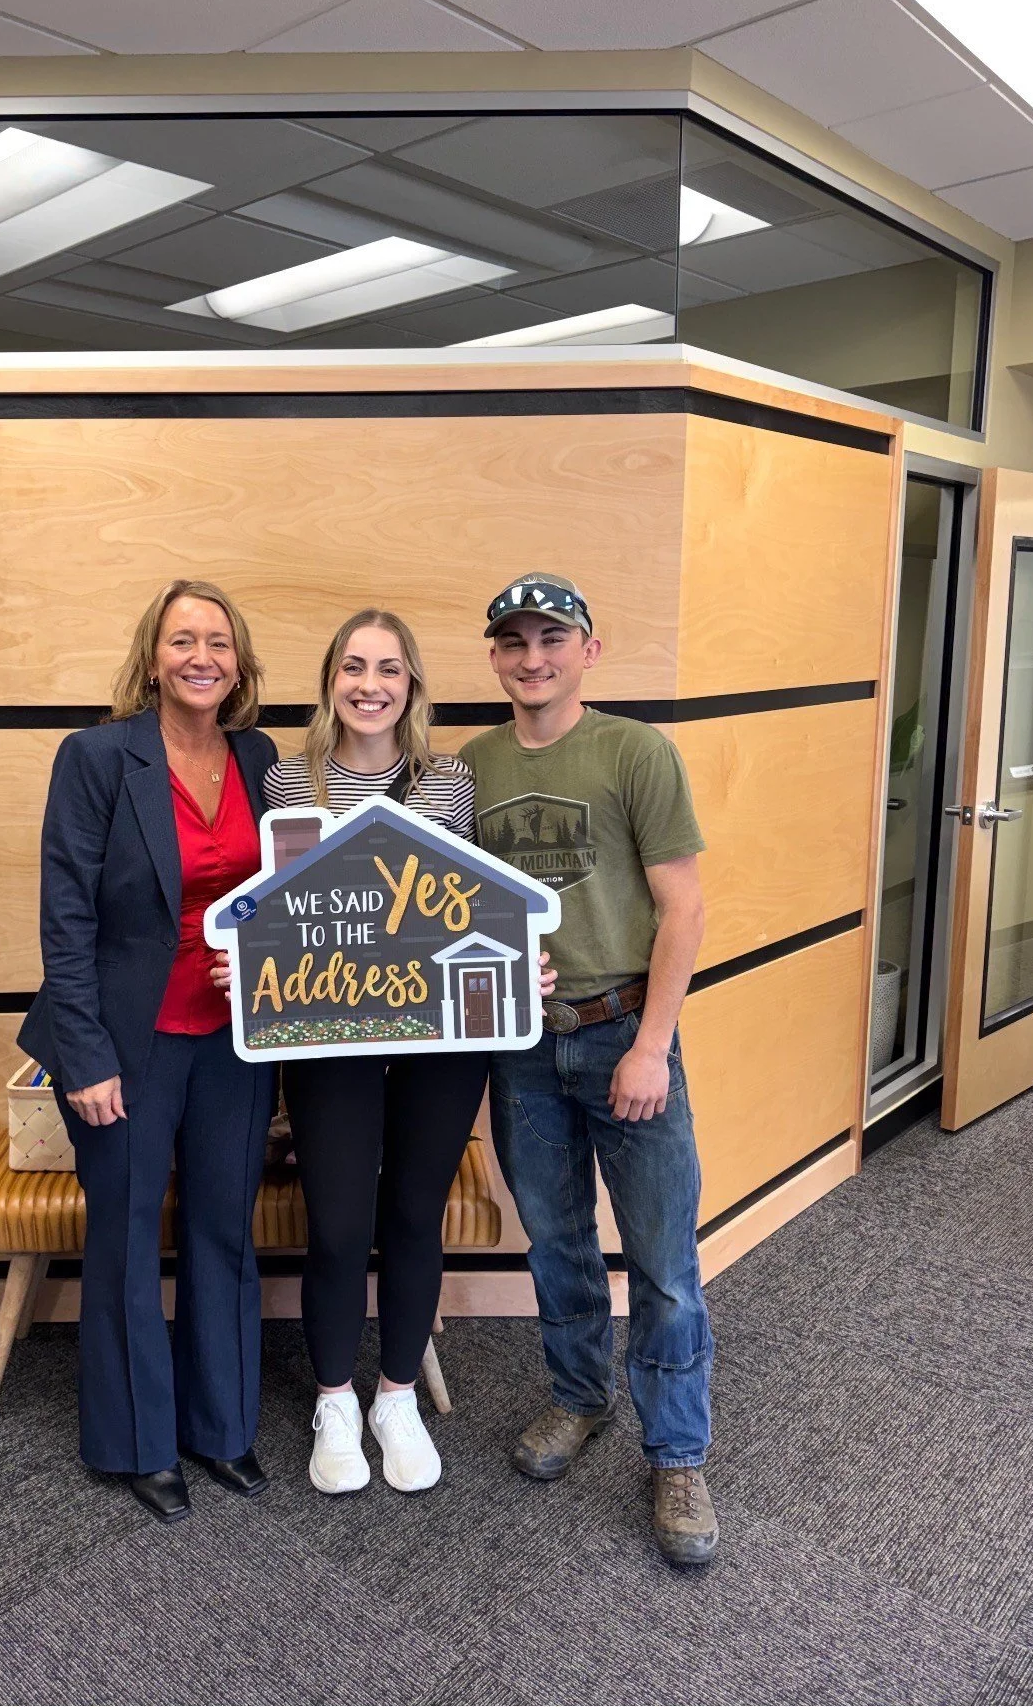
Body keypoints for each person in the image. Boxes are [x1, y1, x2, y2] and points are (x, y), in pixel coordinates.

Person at [461, 572, 718, 1566]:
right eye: (514, 641)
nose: (533, 658)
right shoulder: (471, 768)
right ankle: (579, 1394)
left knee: (662, 1259)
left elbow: (684, 907)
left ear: (589, 651)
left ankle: (678, 1451)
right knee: (557, 1242)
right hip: (524, 1045)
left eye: (552, 638)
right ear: (495, 657)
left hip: (624, 1031)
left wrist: (652, 1043)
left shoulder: (635, 751)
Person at [240, 610, 519, 1496]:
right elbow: (274, 907)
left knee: (412, 1215)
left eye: (389, 668)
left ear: (411, 684)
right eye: (354, 666)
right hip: (330, 1038)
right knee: (337, 1223)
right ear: (332, 680)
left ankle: (395, 1395)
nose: (371, 684)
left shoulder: (451, 781)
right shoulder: (289, 781)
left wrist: (524, 957)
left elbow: (476, 902)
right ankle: (333, 1399)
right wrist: (241, 954)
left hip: (439, 1039)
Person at [18, 579, 278, 1525]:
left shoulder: (260, 757)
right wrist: (83, 1058)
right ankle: (137, 1442)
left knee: (223, 1228)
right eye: (183, 640)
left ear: (238, 664)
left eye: (218, 641)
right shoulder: (96, 757)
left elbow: (284, 893)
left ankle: (222, 1426)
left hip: (234, 1038)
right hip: (124, 1041)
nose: (202, 656)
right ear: (153, 658)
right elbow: (66, 916)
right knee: (127, 1237)